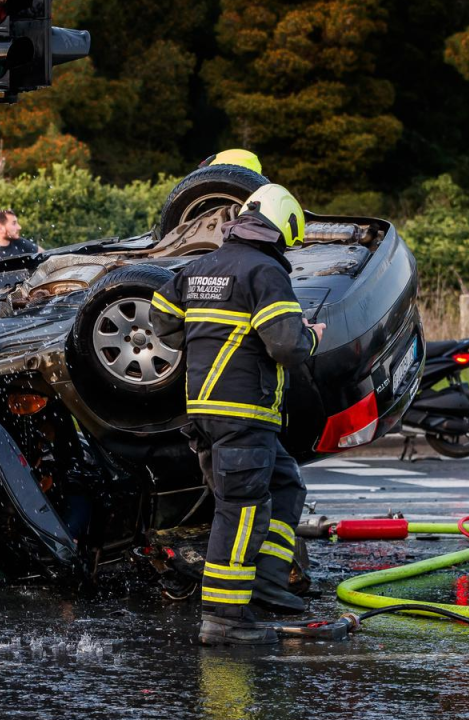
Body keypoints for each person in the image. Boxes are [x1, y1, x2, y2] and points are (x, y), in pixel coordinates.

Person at [148, 184, 326, 646]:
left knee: (285, 483)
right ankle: (224, 619)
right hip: (244, 413)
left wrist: (199, 333)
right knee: (241, 508)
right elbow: (287, 346)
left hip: (205, 414)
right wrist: (312, 336)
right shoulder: (265, 273)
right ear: (282, 226)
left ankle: (266, 581)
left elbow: (160, 318)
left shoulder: (199, 266)